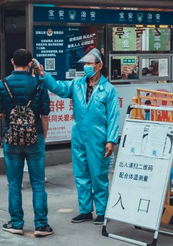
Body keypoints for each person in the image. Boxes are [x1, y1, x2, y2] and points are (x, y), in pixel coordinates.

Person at [35, 48, 119, 225]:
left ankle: (102, 212)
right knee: (81, 175)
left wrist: (111, 140)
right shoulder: (77, 84)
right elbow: (59, 88)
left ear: (99, 65)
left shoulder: (108, 90)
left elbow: (113, 117)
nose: (86, 67)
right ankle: (85, 210)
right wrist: (44, 75)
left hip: (99, 137)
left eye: (90, 64)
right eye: (85, 64)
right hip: (79, 135)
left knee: (99, 175)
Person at [0, 48, 53, 237]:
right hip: (35, 138)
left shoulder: (2, 85)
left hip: (11, 140)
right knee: (37, 183)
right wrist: (42, 135)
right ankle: (41, 225)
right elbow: (45, 114)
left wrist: (12, 118)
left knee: (14, 183)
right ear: (30, 64)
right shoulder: (39, 84)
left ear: (12, 62)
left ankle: (17, 223)